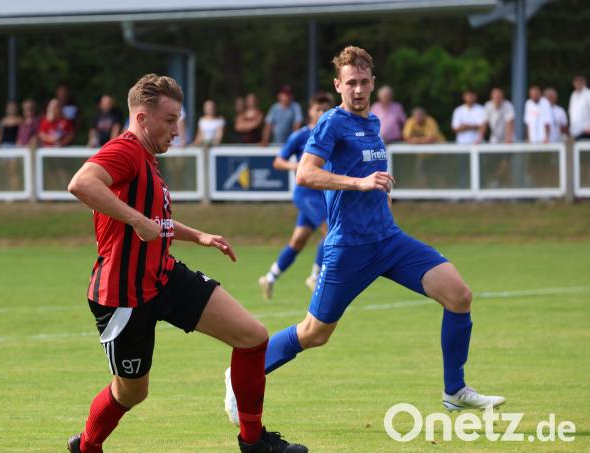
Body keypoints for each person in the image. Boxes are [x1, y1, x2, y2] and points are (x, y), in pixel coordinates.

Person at [224, 46, 505, 427]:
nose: (357, 89)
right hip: (349, 248)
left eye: (364, 82)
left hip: (389, 241)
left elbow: (373, 181)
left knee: (459, 295)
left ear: (373, 83)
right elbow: (304, 174)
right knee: (314, 333)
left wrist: (380, 192)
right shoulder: (330, 123)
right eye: (350, 83)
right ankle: (238, 374)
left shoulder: (373, 124)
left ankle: (454, 391)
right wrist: (359, 182)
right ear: (338, 85)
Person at [66, 73, 307, 453]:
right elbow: (81, 183)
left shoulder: (147, 159)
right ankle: (86, 447)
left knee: (252, 336)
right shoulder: (126, 150)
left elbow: (152, 220)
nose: (178, 129)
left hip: (164, 277)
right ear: (142, 119)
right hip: (124, 297)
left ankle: (253, 441)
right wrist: (137, 221)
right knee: (131, 393)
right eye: (170, 119)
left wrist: (198, 236)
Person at [258, 93, 332, 300]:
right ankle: (315, 276)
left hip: (324, 194)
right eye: (318, 109)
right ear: (310, 111)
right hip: (306, 193)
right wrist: (297, 166)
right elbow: (278, 161)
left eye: (325, 109)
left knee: (298, 241)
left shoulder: (332, 134)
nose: (321, 113)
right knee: (331, 230)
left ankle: (269, 277)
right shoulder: (301, 135)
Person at [569, 75, 590, 140]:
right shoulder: (573, 95)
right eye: (577, 82)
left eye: (580, 82)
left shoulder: (588, 93)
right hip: (575, 130)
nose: (578, 84)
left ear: (584, 83)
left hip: (586, 129)